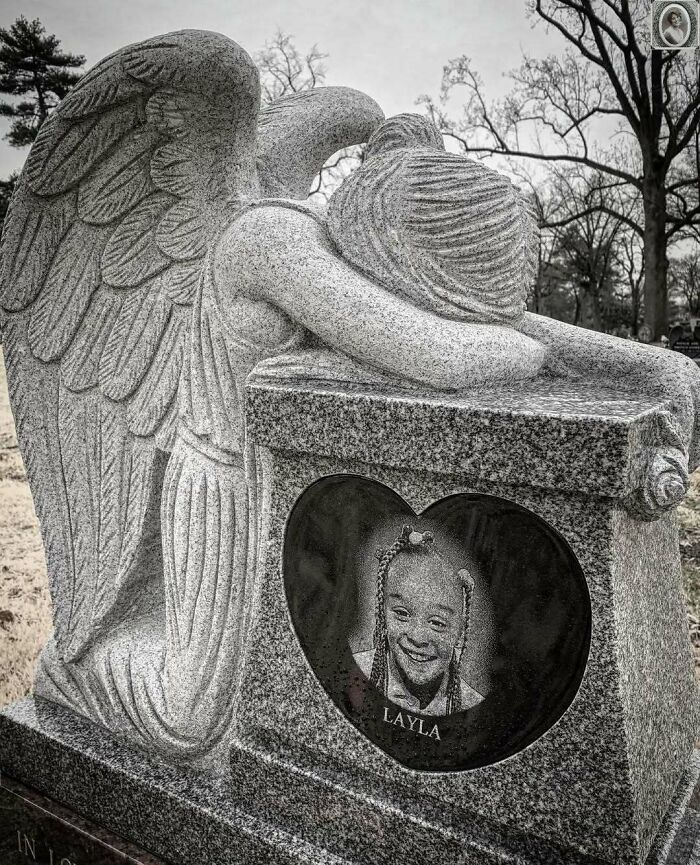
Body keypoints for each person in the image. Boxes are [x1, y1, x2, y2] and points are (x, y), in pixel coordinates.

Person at [353, 526, 484, 716]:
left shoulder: (472, 707)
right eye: (402, 613)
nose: (418, 637)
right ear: (383, 614)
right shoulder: (354, 674)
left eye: (437, 623)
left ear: (460, 632)